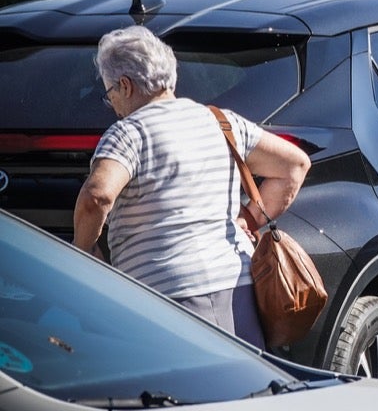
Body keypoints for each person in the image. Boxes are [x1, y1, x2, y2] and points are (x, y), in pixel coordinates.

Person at [72, 25, 311, 347]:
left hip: (163, 297)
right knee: (244, 390)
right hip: (237, 288)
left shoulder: (128, 133)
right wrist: (249, 221)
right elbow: (294, 165)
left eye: (110, 93)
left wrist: (82, 250)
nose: (112, 104)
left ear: (125, 86)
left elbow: (98, 196)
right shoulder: (222, 122)